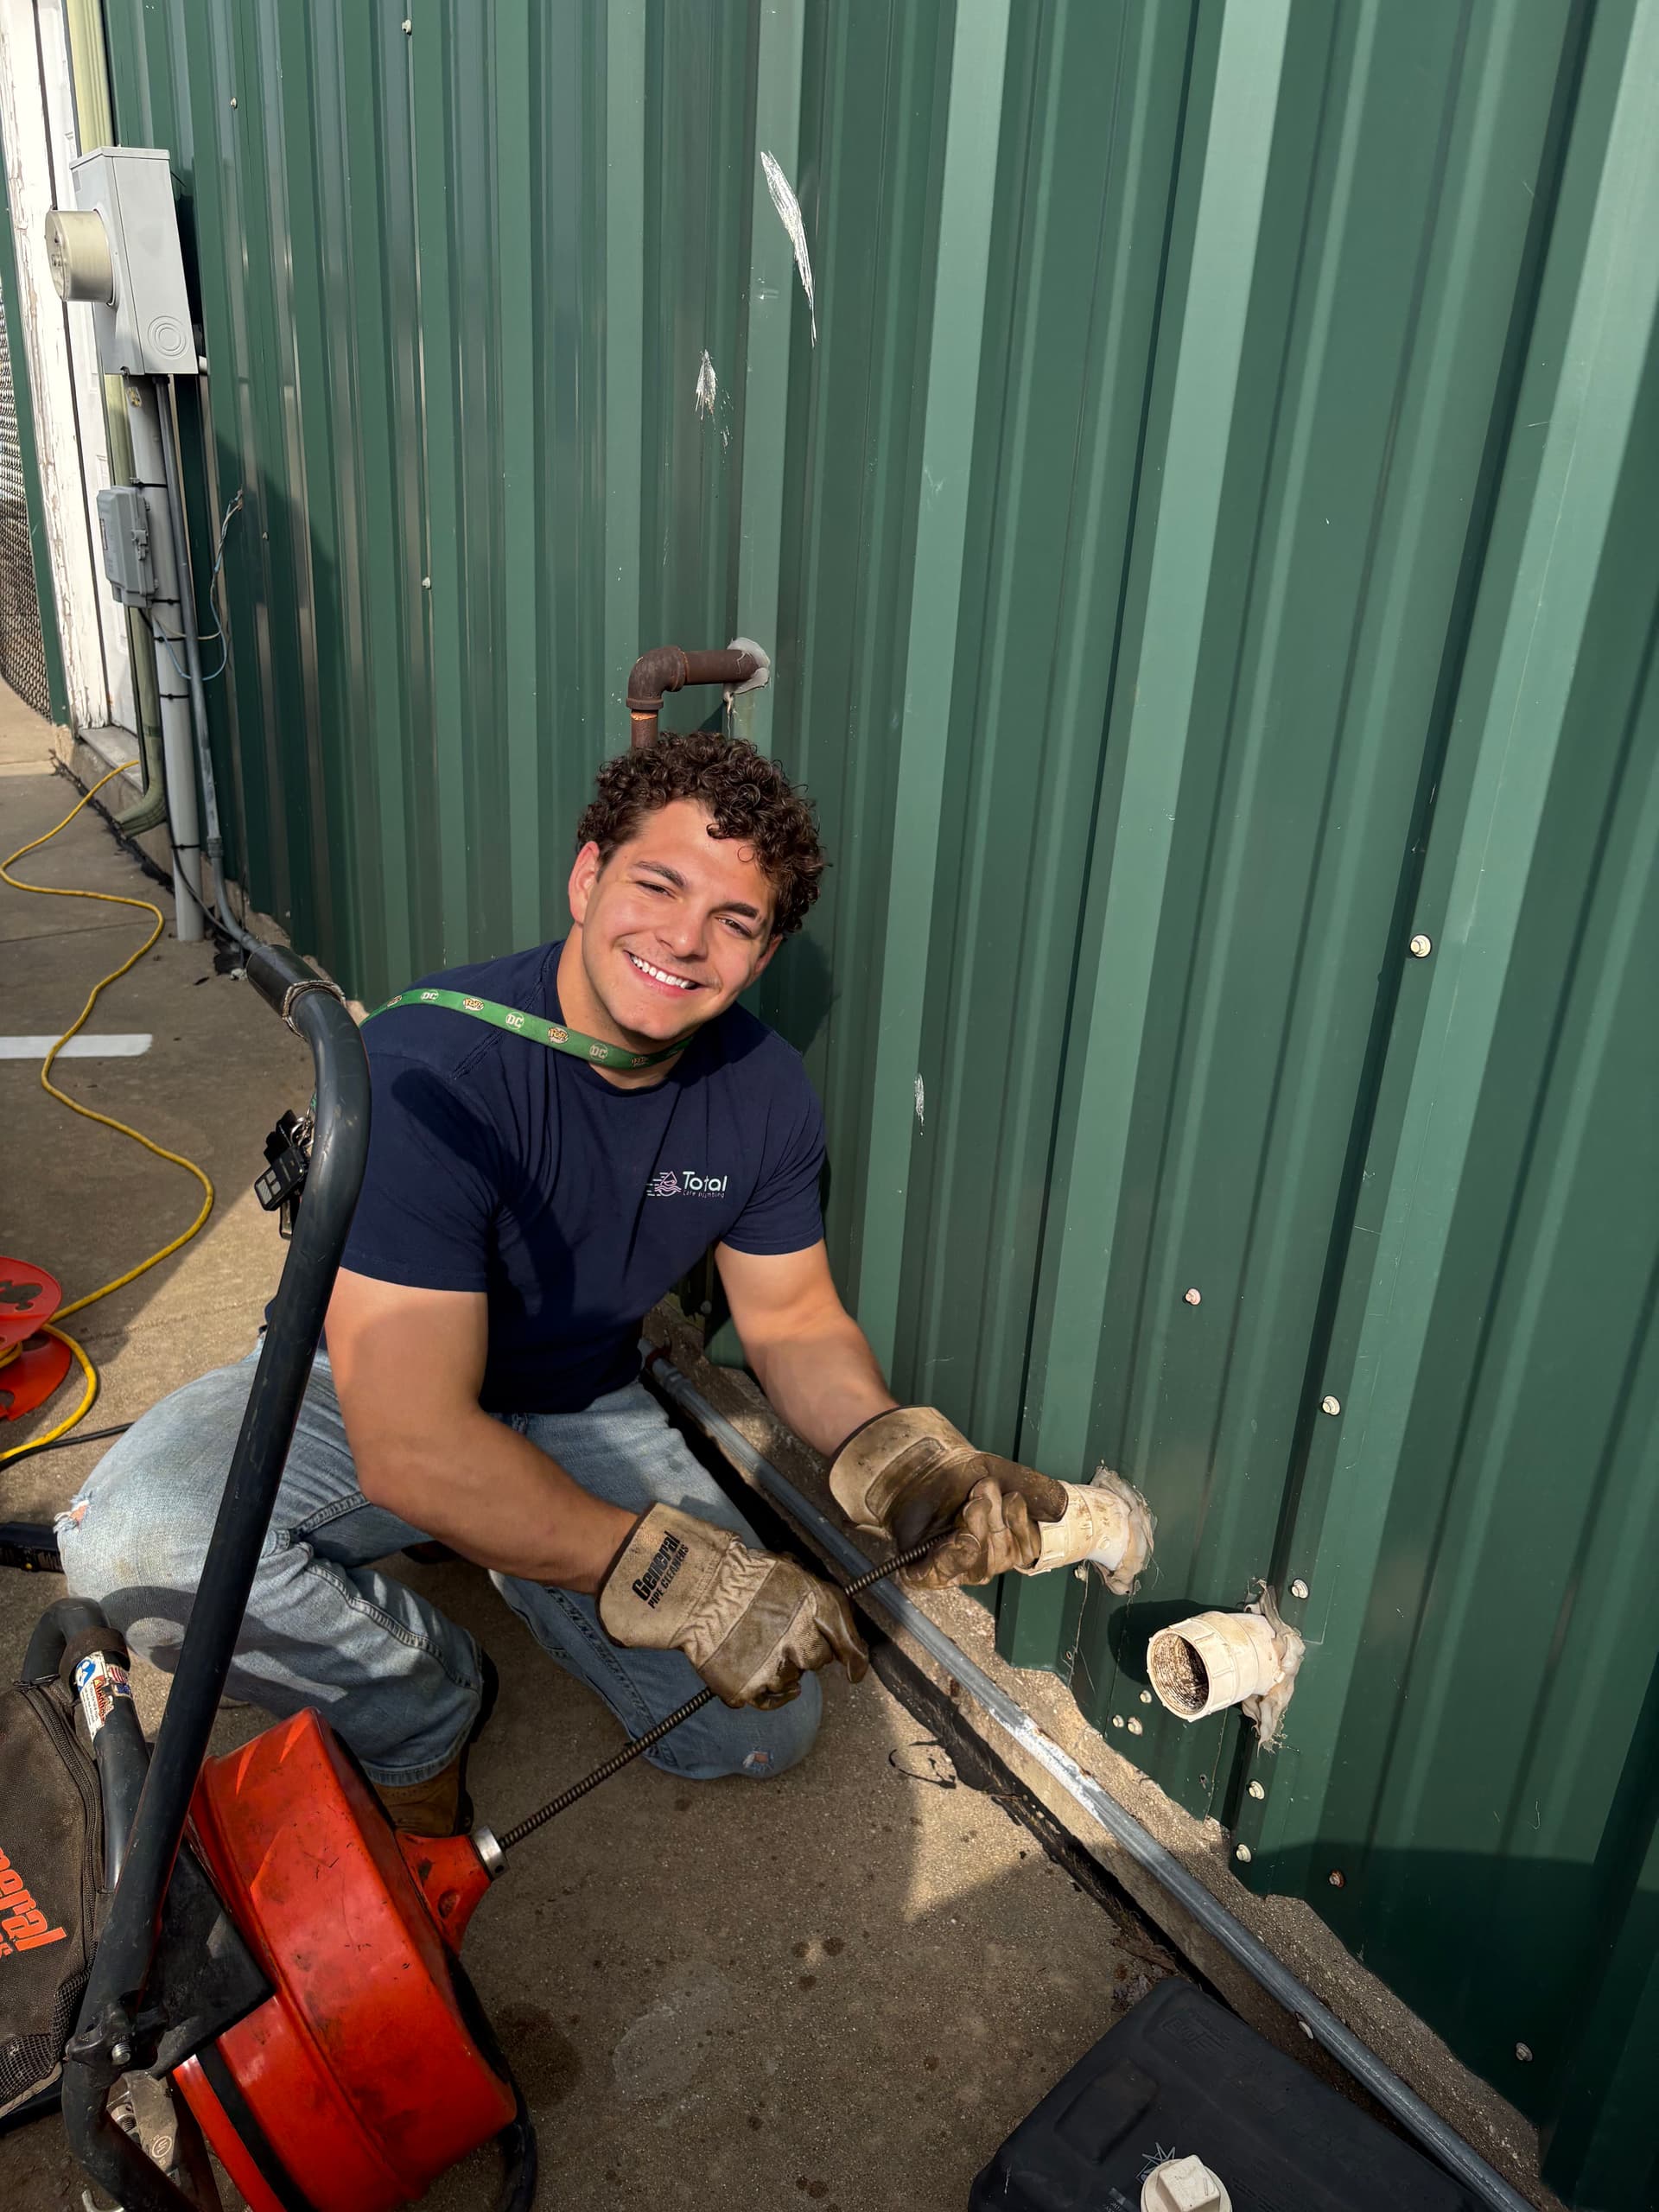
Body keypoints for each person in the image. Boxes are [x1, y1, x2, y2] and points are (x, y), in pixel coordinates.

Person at [60, 734, 1150, 1835]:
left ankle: (505, 1545)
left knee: (762, 1726)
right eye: (659, 884)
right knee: (132, 1543)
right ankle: (422, 1703)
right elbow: (412, 1441)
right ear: (587, 878)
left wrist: (897, 1452)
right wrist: (677, 1576)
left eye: (737, 921)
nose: (686, 938)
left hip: (575, 1399)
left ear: (763, 955)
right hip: (373, 1390)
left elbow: (791, 1317)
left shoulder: (763, 1092)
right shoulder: (428, 1072)